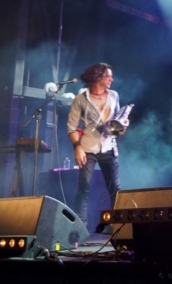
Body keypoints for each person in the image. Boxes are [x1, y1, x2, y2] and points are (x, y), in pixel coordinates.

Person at [67, 63, 129, 230]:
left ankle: (117, 228)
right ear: (97, 77)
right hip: (88, 148)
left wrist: (122, 125)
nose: (111, 79)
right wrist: (77, 147)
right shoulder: (81, 99)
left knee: (115, 188)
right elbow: (71, 127)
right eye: (108, 76)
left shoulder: (114, 95)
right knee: (84, 187)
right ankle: (79, 229)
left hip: (109, 147)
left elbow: (116, 123)